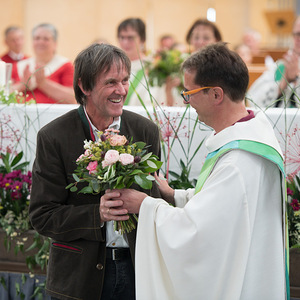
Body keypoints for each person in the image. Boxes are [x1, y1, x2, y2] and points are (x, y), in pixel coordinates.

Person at [103, 43, 289, 299]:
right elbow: (225, 210)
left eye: (189, 93)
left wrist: (145, 205)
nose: (186, 101)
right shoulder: (252, 135)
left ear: (216, 95)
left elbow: (198, 233)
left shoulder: (238, 162)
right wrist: (176, 196)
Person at [29, 43, 161, 300]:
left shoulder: (145, 131)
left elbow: (154, 200)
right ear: (84, 86)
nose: (121, 90)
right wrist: (96, 214)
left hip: (138, 271)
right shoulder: (54, 136)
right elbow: (42, 215)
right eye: (111, 82)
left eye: (124, 81)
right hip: (79, 276)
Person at [11, 23, 76, 104]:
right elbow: (4, 95)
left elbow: (73, 98)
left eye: (46, 39)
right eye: (37, 38)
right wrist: (22, 85)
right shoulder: (20, 66)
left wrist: (43, 83)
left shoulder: (65, 65)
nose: (41, 42)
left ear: (55, 44)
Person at [247, 17, 300, 108]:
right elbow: (253, 99)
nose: (298, 39)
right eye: (297, 34)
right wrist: (284, 82)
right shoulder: (280, 67)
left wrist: (297, 80)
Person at [117, 17, 159, 106]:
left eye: (130, 38)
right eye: (122, 37)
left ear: (142, 39)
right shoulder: (114, 66)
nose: (125, 42)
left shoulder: (152, 67)